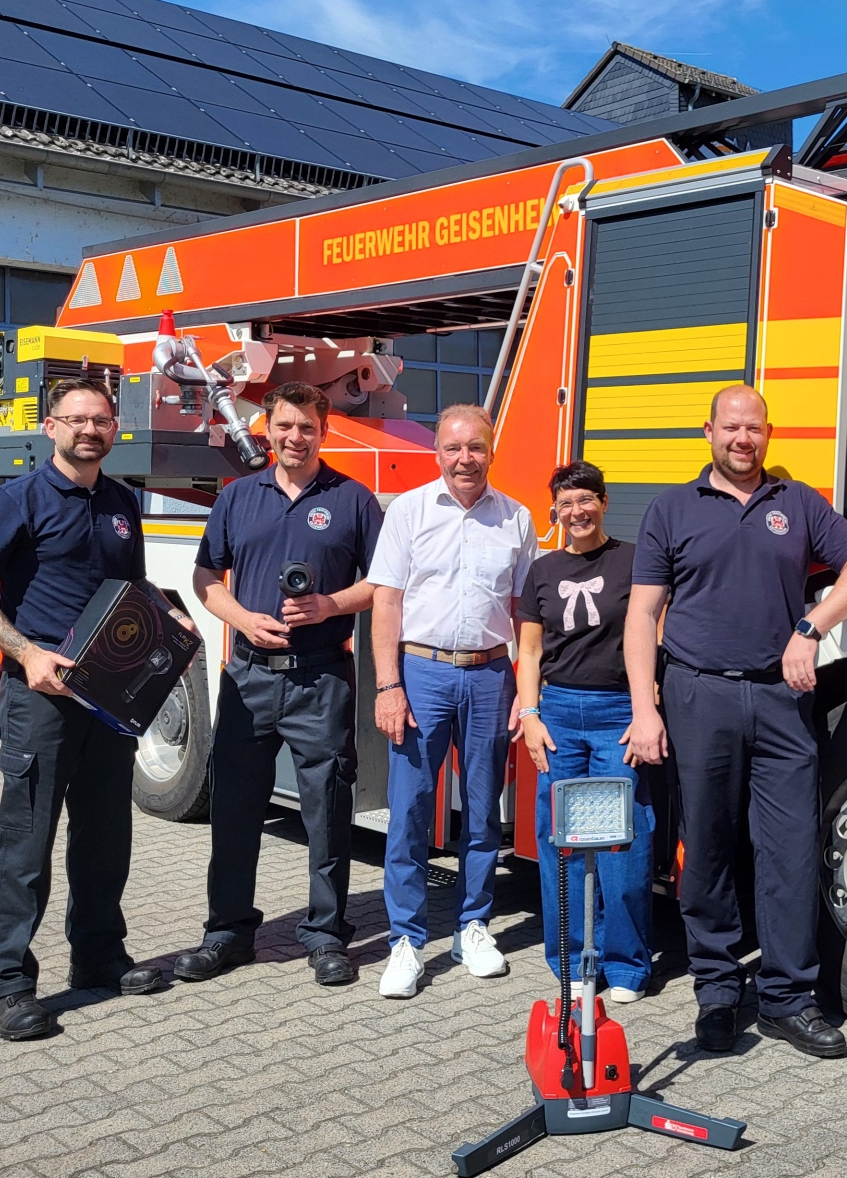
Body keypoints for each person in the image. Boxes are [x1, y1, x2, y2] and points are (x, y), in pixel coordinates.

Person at [625, 384, 847, 1059]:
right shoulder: (672, 508)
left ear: (769, 434)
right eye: (731, 428)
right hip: (697, 694)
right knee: (707, 846)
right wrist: (645, 707)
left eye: (755, 429)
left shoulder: (796, 503)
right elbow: (641, 614)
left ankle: (786, 999)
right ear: (708, 431)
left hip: (780, 699)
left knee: (790, 849)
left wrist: (811, 626)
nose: (743, 439)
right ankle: (717, 991)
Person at [0, 378, 195, 1041]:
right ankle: (6, 986)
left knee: (104, 836)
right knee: (26, 845)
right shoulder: (18, 500)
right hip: (42, 701)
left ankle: (100, 958)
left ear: (114, 428)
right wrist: (27, 653)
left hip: (107, 700)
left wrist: (170, 620)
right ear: (51, 426)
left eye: (102, 420)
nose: (90, 430)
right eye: (77, 419)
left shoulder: (120, 501)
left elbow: (131, 585)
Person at [172, 383, 381, 989]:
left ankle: (326, 936)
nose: (295, 438)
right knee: (234, 811)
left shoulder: (353, 500)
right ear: (267, 428)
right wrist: (241, 619)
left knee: (327, 812)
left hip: (322, 679)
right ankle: (228, 934)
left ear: (325, 430)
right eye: (285, 426)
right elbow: (206, 574)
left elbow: (384, 581)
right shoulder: (239, 497)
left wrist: (329, 605)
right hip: (250, 681)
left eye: (307, 427)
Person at [369, 403, 536, 998]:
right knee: (410, 809)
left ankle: (474, 926)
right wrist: (389, 686)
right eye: (453, 448)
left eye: (476, 448)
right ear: (437, 452)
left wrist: (525, 691)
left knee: (483, 811)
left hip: (491, 675)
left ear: (492, 451)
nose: (465, 459)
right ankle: (407, 941)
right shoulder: (409, 512)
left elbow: (525, 614)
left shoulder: (516, 519)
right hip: (423, 673)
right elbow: (385, 603)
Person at [516, 461, 653, 1003]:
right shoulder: (542, 571)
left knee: (624, 840)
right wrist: (530, 717)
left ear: (603, 501)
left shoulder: (634, 560)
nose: (576, 512)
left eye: (585, 501)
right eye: (565, 504)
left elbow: (654, 633)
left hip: (618, 714)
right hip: (558, 717)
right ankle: (572, 963)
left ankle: (624, 966)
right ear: (555, 509)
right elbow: (528, 651)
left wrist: (648, 705)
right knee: (561, 842)